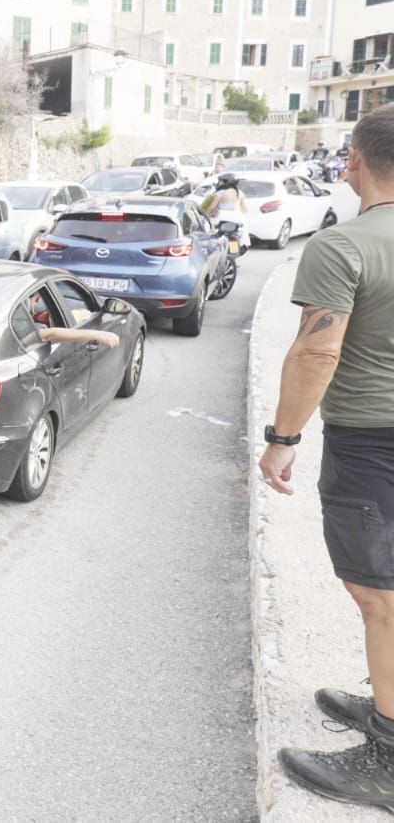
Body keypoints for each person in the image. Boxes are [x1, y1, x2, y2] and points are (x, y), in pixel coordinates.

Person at [260, 106, 394, 809]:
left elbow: (318, 349)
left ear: (352, 161)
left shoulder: (344, 246)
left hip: (372, 441)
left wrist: (282, 440)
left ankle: (388, 760)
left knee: (379, 596)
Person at [201, 172, 250, 250]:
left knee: (208, 231)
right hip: (237, 218)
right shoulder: (240, 193)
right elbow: (244, 209)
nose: (220, 183)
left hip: (221, 218)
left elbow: (211, 208)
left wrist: (206, 216)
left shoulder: (220, 193)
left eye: (222, 181)